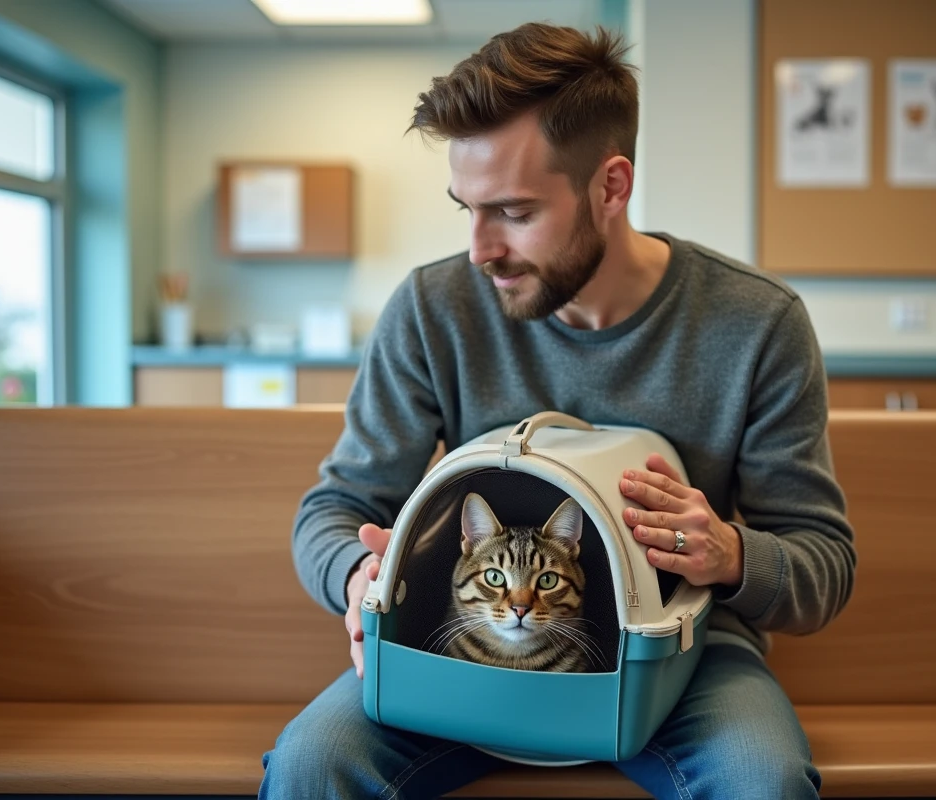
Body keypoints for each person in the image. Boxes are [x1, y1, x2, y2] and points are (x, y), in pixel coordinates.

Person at [260, 21, 855, 800]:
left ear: (611, 186)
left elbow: (824, 562)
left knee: (762, 781)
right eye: (465, 207)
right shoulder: (432, 308)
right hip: (463, 650)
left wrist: (732, 553)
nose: (479, 249)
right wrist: (358, 576)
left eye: (512, 211)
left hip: (683, 660)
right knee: (310, 765)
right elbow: (333, 510)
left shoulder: (756, 322)